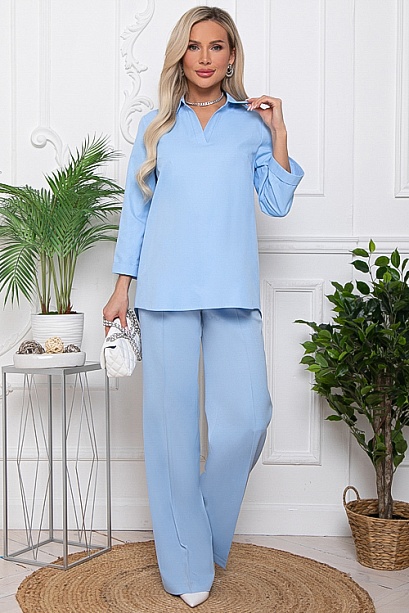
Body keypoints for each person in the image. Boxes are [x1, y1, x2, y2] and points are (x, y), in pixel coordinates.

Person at [103, 5, 303, 608]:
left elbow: (277, 203)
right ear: (180, 56)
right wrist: (121, 286)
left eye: (217, 46)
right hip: (164, 291)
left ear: (232, 55)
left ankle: (201, 533)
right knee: (171, 434)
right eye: (194, 46)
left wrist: (279, 133)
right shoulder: (156, 127)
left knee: (247, 419)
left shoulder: (250, 126)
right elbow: (137, 212)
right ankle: (186, 567)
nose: (205, 57)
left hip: (232, 291)